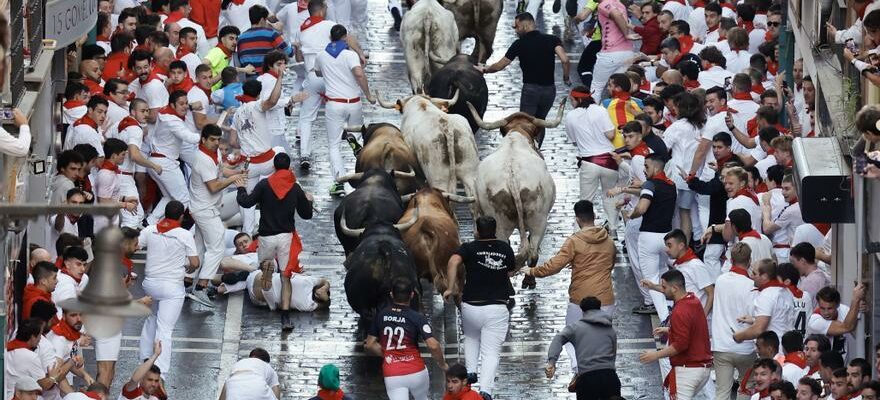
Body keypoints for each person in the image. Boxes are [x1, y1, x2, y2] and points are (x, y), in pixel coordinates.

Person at [236, 153, 314, 330]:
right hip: (285, 237)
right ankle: (285, 317)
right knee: (287, 277)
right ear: (288, 168)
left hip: (266, 236)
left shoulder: (264, 185)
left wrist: (241, 188)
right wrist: (309, 201)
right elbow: (306, 214)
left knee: (264, 264)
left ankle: (266, 270)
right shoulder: (295, 188)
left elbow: (246, 202)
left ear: (274, 167)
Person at [443, 216, 515, 396]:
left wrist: (451, 288)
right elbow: (511, 270)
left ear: (477, 230)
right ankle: (485, 390)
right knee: (491, 352)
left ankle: (471, 371)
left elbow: (453, 262)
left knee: (471, 337)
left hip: (471, 306)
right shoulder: (505, 248)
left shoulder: (469, 248)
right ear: (495, 229)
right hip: (497, 307)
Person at [231, 72, 306, 235]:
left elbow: (233, 142)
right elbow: (272, 101)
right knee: (280, 152)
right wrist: (280, 79)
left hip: (248, 164)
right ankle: (301, 193)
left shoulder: (237, 113)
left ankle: (248, 233)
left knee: (248, 202)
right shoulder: (257, 105)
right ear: (258, 94)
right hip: (266, 162)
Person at [480, 12, 570, 146]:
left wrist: (485, 69)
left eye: (516, 27)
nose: (515, 30)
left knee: (525, 123)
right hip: (549, 91)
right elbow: (565, 59)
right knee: (540, 121)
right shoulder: (552, 39)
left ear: (525, 25)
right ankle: (538, 147)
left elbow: (500, 65)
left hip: (530, 91)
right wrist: (566, 77)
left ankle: (527, 149)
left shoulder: (519, 44)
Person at [137, 200, 200, 378]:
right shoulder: (184, 234)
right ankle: (161, 371)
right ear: (181, 216)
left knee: (151, 320)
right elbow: (195, 263)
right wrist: (188, 266)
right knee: (164, 329)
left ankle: (144, 359)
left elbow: (135, 245)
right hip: (172, 288)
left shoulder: (150, 229)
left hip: (150, 285)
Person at [187, 124, 245, 307]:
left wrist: (236, 172)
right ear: (203, 139)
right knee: (217, 246)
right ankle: (201, 287)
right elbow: (213, 186)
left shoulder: (214, 154)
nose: (216, 143)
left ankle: (187, 283)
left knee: (200, 247)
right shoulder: (202, 159)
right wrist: (233, 179)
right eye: (212, 139)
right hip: (205, 209)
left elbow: (220, 171)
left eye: (218, 139)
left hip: (204, 207)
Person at [364, 278, 449, 400]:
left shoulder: (381, 315)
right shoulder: (417, 318)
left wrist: (389, 354)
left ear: (392, 294)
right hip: (416, 371)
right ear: (412, 294)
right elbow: (433, 345)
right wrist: (443, 365)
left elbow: (369, 344)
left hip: (392, 373)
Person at [315, 24, 377, 192]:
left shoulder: (321, 55)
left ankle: (339, 182)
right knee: (359, 136)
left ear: (330, 38)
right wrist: (369, 95)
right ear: (345, 37)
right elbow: (358, 74)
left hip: (334, 104)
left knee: (333, 145)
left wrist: (331, 71)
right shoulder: (350, 55)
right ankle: (353, 141)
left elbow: (318, 73)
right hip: (354, 103)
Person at [639, 269, 713, 400]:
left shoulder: (680, 311)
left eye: (664, 287)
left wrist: (655, 355)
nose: (662, 289)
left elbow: (680, 345)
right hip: (702, 369)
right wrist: (670, 330)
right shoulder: (693, 300)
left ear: (674, 288)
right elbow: (692, 330)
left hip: (688, 371)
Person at [628, 153, 677, 319]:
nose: (644, 170)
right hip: (666, 237)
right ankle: (671, 308)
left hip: (648, 237)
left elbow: (641, 208)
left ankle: (665, 318)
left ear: (656, 167)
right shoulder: (671, 185)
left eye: (647, 166)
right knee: (664, 272)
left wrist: (631, 215)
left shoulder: (650, 184)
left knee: (651, 280)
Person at [563, 88, 619, 232]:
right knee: (610, 196)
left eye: (572, 100)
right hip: (609, 161)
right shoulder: (600, 110)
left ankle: (580, 231)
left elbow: (574, 141)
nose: (572, 103)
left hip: (589, 162)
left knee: (586, 200)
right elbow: (611, 134)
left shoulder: (570, 116)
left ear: (579, 100)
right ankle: (612, 228)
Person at [546, 296, 620, 400]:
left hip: (587, 379)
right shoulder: (609, 328)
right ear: (599, 309)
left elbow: (558, 339)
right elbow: (613, 353)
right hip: (610, 378)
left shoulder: (575, 328)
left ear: (582, 311)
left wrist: (552, 362)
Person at [711, 242, 759, 400]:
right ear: (749, 260)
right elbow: (755, 316)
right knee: (746, 387)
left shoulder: (720, 280)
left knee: (722, 391)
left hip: (721, 345)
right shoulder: (752, 285)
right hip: (745, 347)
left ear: (731, 260)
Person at [146, 90, 201, 223]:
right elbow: (190, 138)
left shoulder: (165, 113)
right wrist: (207, 135)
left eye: (186, 103)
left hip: (157, 160)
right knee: (183, 199)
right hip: (165, 163)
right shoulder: (172, 120)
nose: (185, 106)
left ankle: (149, 223)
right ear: (172, 105)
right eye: (181, 104)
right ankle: (166, 227)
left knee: (169, 197)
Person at [4, 319, 72, 400]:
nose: (40, 339)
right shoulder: (30, 356)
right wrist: (53, 377)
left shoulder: (6, 349)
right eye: (40, 335)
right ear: (32, 337)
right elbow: (45, 385)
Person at [734, 259, 796, 342]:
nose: (751, 276)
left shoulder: (766, 295)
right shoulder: (786, 291)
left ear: (764, 276)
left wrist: (738, 336)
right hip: (788, 346)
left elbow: (758, 330)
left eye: (754, 273)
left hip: (773, 348)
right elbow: (777, 319)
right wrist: (754, 320)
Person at [807, 285, 865, 359]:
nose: (826, 313)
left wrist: (861, 307)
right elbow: (847, 327)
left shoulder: (844, 310)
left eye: (830, 308)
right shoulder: (814, 321)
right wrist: (855, 300)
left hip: (842, 364)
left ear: (838, 305)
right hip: (821, 366)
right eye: (822, 308)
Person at [95, 138, 139, 232]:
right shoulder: (106, 174)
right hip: (104, 225)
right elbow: (104, 202)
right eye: (123, 154)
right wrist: (125, 205)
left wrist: (125, 198)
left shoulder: (111, 172)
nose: (124, 157)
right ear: (114, 156)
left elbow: (110, 196)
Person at [237, 5, 294, 73]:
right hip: (269, 78)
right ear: (262, 20)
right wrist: (292, 44)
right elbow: (289, 53)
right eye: (266, 19)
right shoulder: (271, 34)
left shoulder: (241, 38)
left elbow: (241, 59)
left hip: (249, 79)